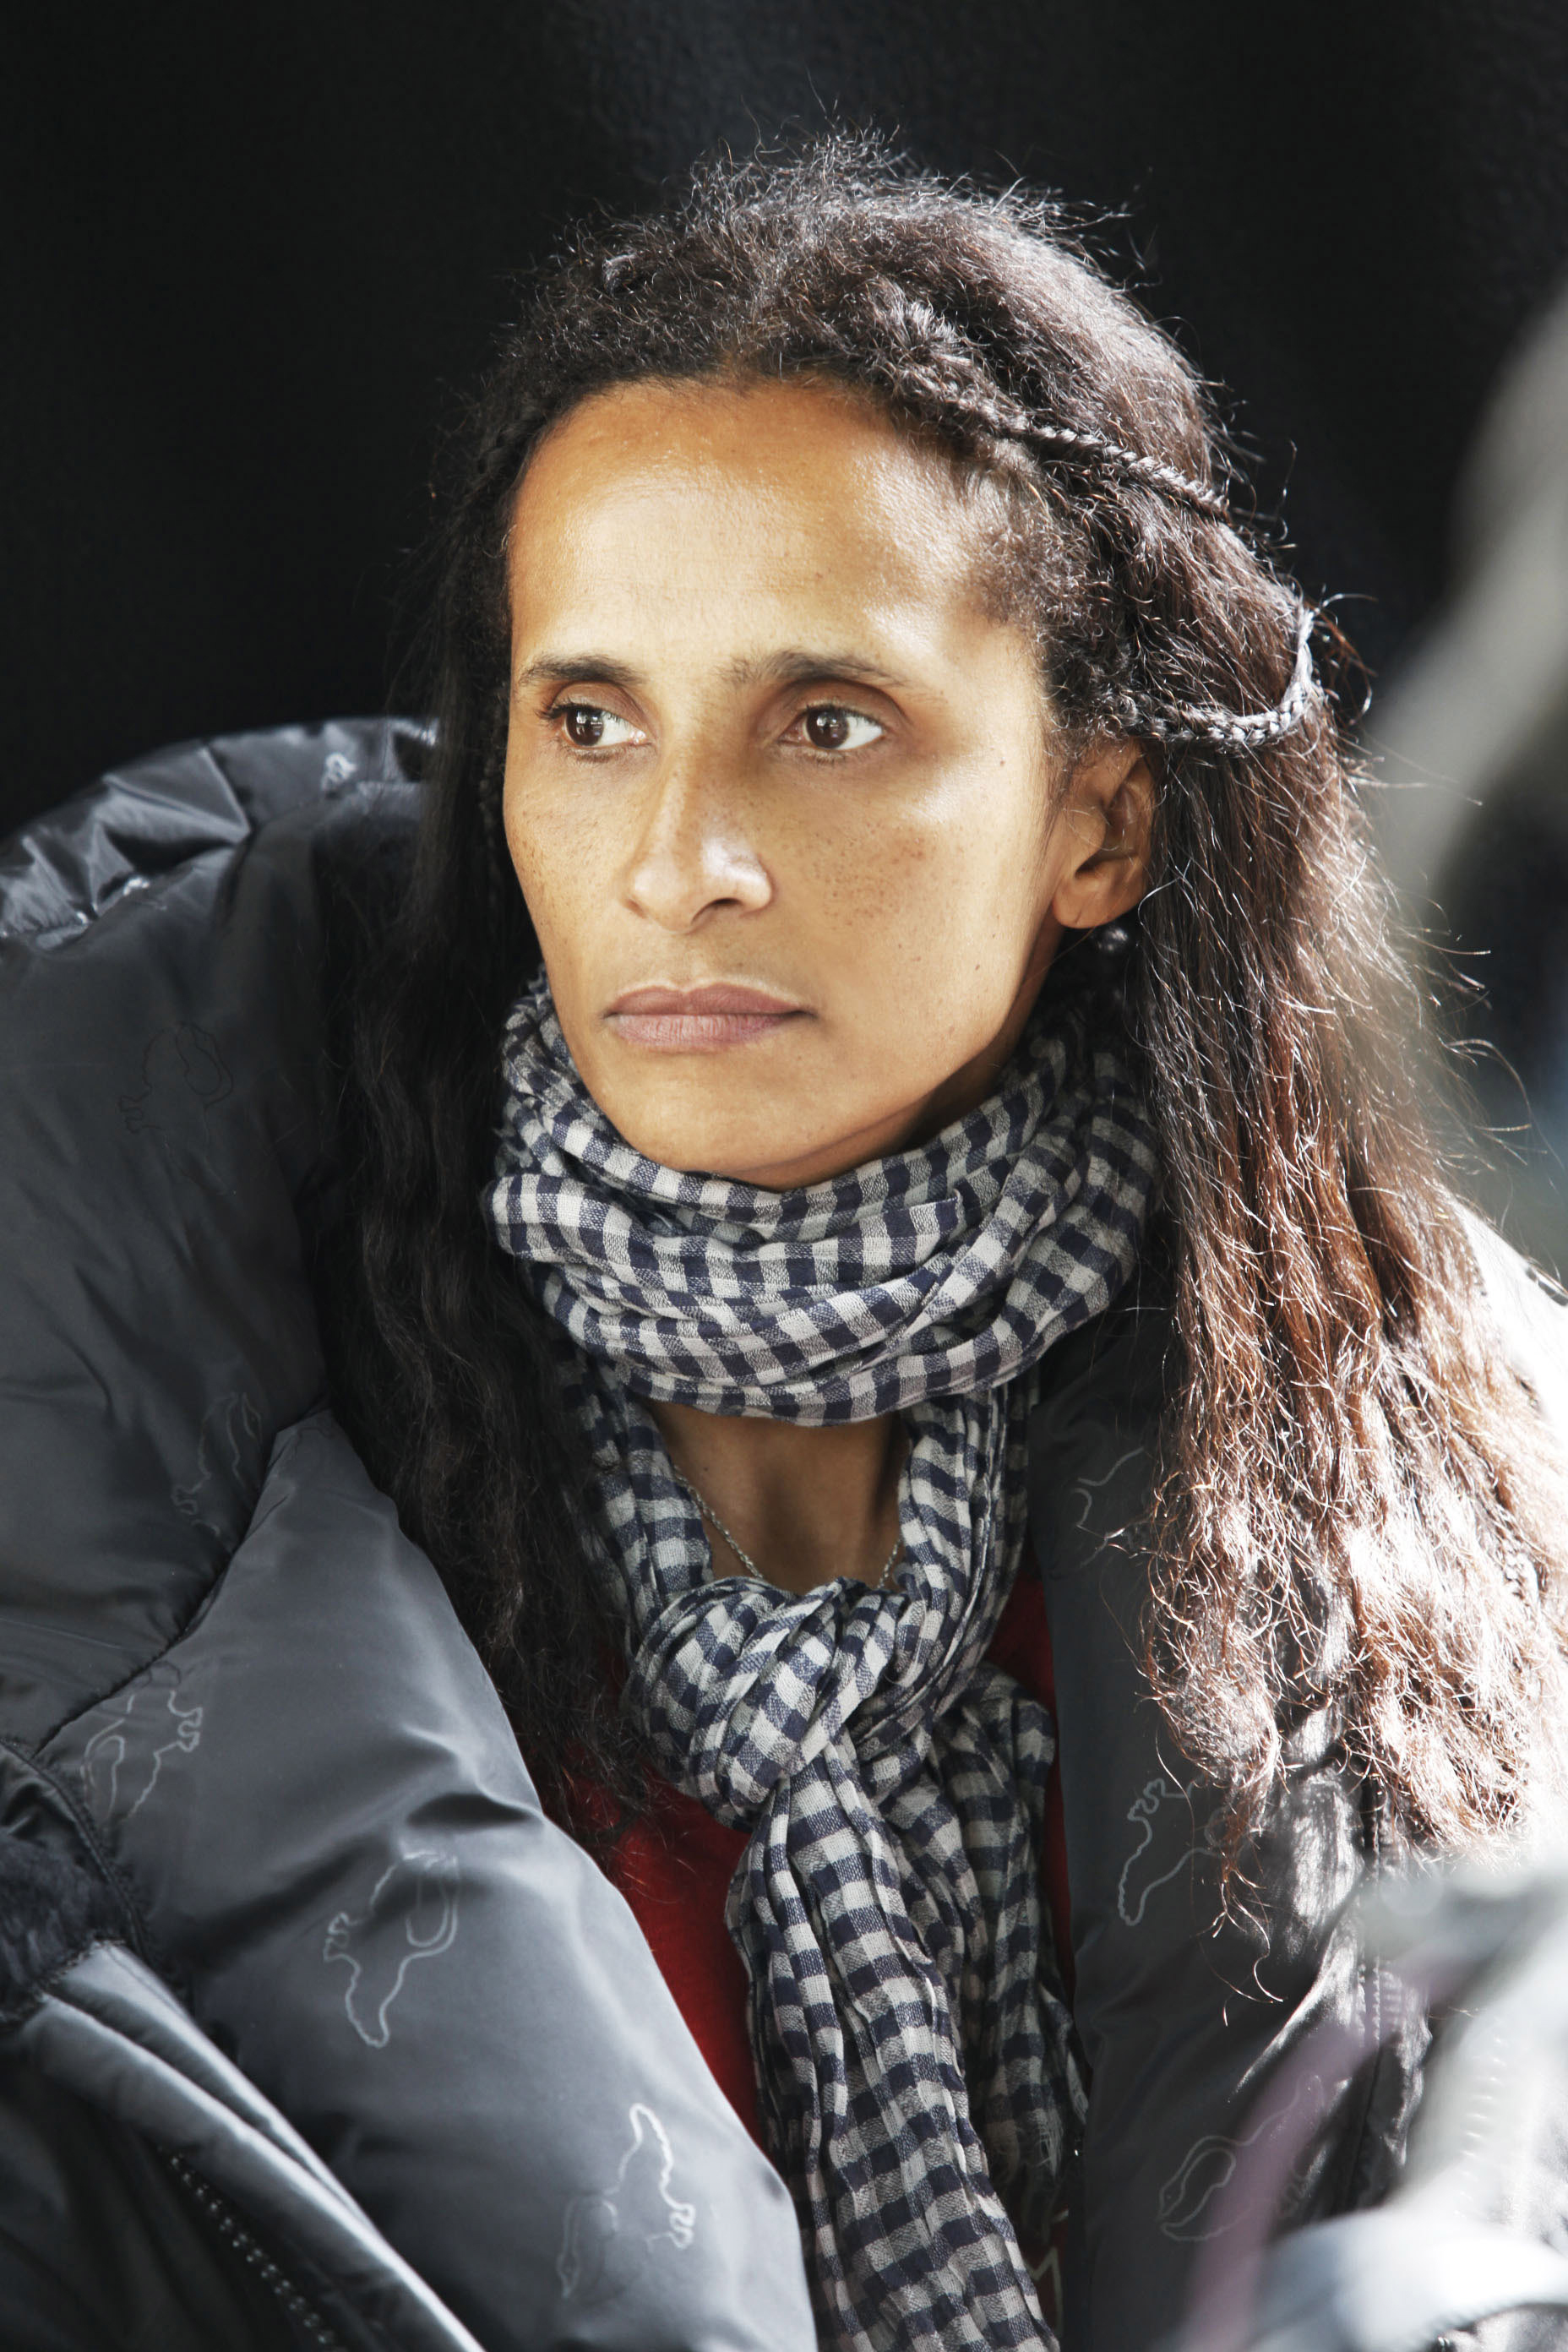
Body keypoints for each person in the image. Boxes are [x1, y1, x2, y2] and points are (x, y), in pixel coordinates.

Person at [1, 136, 1565, 2352]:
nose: (681, 859)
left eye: (826, 724)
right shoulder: (174, 1457)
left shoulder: (1460, 1504)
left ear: (1101, 822)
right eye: (589, 721)